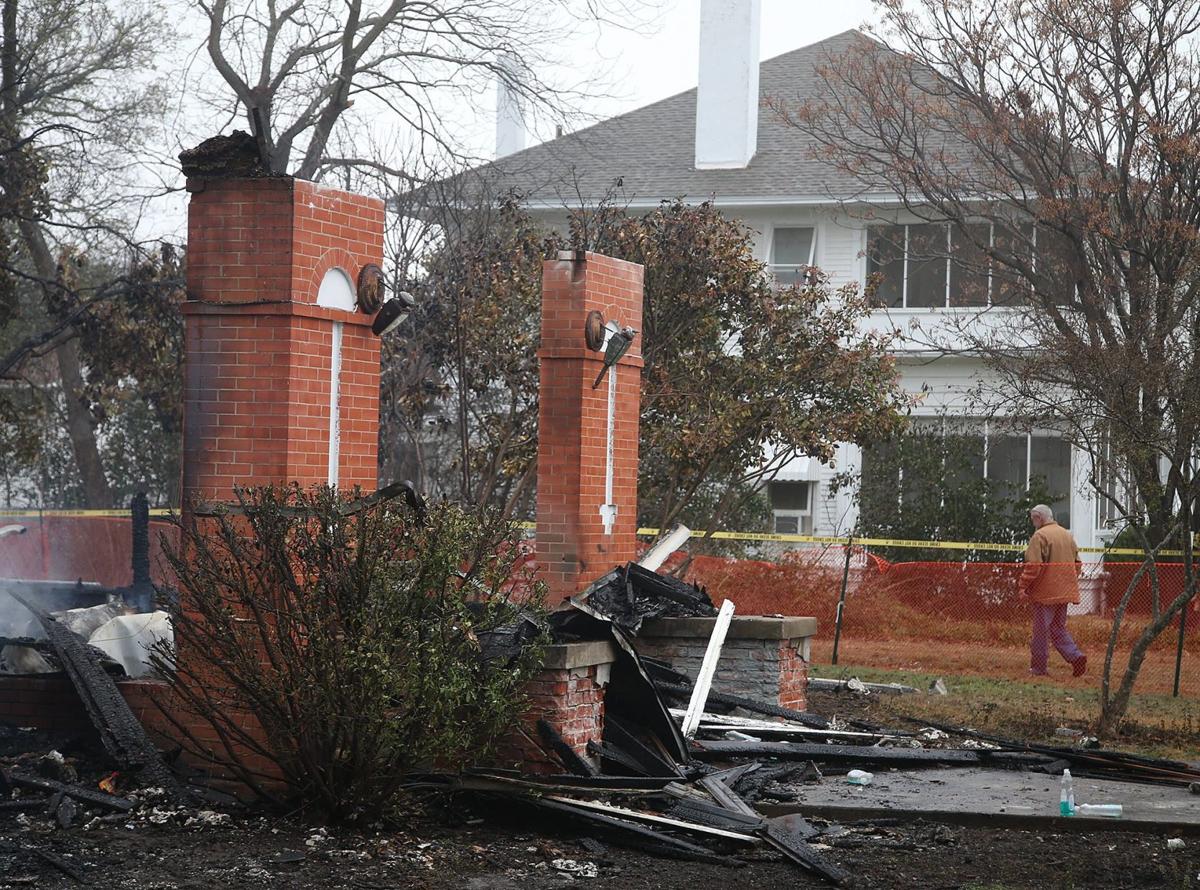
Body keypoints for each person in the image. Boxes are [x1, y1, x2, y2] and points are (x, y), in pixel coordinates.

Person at [1018, 504, 1087, 677]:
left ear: (1039, 518)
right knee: (1058, 629)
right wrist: (1067, 581)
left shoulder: (1039, 536)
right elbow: (1077, 564)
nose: (1032, 522)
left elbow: (1033, 566)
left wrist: (1023, 585)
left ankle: (1039, 668)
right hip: (1064, 592)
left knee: (1041, 631)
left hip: (1045, 594)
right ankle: (1076, 657)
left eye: (1033, 518)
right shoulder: (1066, 535)